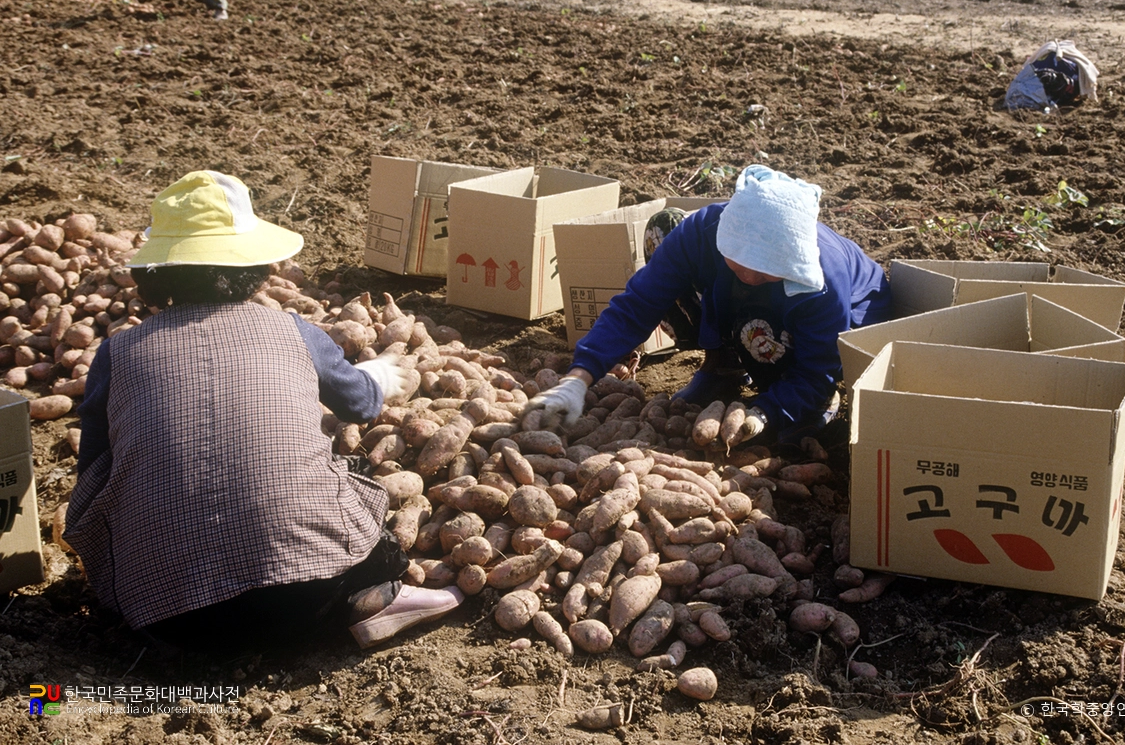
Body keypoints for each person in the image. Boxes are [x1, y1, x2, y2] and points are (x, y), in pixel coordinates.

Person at [63, 170, 462, 652]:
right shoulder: (296, 331)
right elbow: (360, 403)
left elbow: (92, 472)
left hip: (169, 625)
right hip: (311, 598)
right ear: (256, 267)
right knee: (352, 478)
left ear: (154, 274)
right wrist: (378, 374)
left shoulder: (116, 352)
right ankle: (372, 598)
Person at [526, 164, 892, 447]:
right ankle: (724, 367)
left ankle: (810, 402)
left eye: (765, 272)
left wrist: (764, 412)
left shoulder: (820, 281)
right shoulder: (703, 233)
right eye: (740, 262)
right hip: (764, 306)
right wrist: (579, 377)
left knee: (765, 341)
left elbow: (819, 368)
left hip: (850, 329)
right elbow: (639, 303)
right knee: (664, 229)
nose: (749, 276)